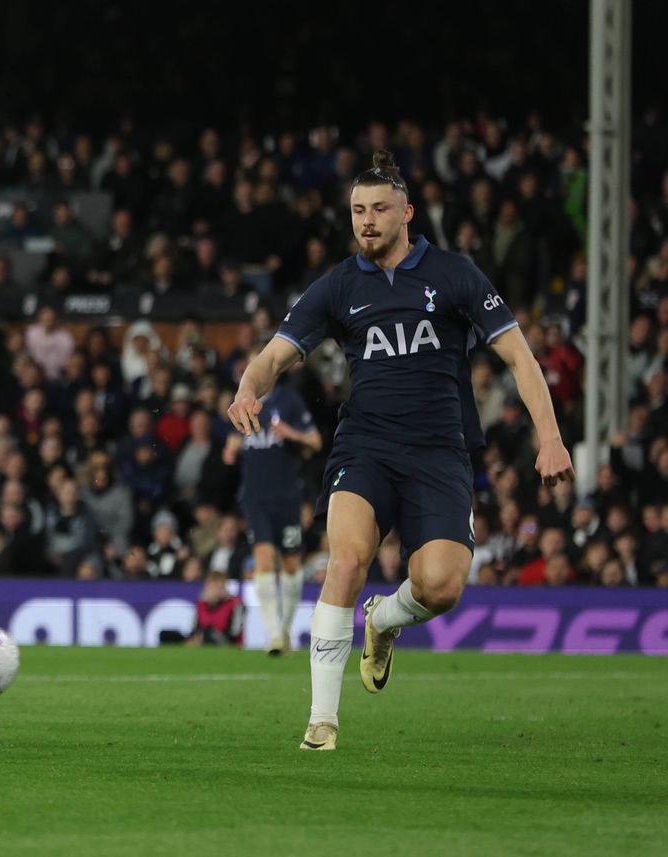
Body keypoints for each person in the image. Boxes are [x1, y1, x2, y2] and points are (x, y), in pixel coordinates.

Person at [227, 150, 573, 752]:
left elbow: (519, 355)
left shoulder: (455, 274)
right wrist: (247, 388)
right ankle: (322, 721)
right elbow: (277, 352)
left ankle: (382, 621)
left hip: (440, 451)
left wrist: (549, 436)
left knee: (440, 584)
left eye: (379, 210)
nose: (366, 221)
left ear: (407, 213)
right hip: (365, 446)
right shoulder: (338, 284)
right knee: (345, 560)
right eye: (358, 210)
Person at [223, 376, 322, 656]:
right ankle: (275, 634)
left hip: (287, 498)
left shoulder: (289, 401)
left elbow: (315, 441)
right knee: (264, 560)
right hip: (255, 499)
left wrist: (293, 434)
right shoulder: (241, 404)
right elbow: (232, 440)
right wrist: (230, 450)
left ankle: (286, 631)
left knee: (291, 565)